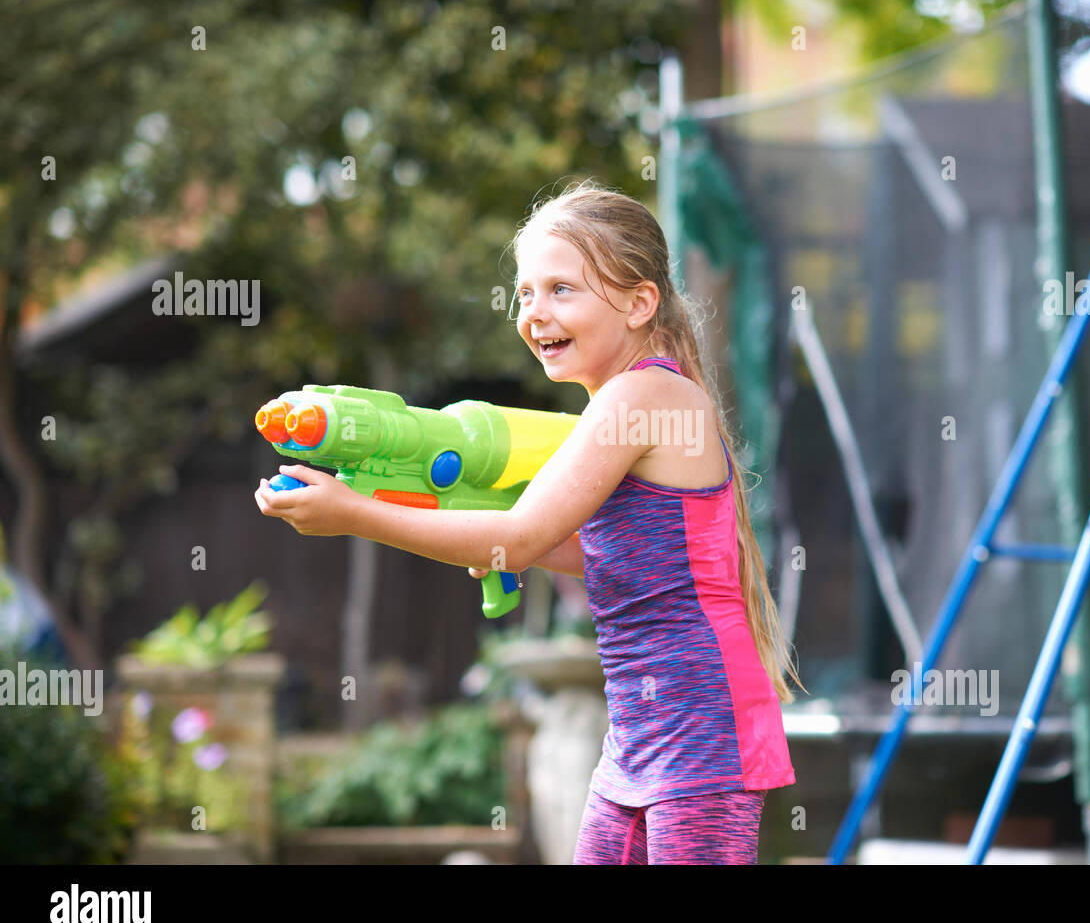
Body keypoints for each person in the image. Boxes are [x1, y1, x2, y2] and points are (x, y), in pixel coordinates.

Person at [254, 179, 805, 864]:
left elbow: (513, 539)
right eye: (525, 294)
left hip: (699, 732)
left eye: (562, 290)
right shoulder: (637, 398)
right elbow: (601, 552)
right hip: (644, 733)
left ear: (640, 302)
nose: (536, 313)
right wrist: (450, 518)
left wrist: (353, 514)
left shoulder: (638, 397)